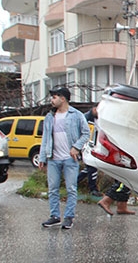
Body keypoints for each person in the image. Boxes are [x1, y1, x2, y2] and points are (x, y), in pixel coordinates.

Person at [39, 87, 90, 230]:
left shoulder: (76, 115)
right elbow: (45, 139)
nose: (51, 100)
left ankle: (68, 217)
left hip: (70, 159)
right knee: (53, 189)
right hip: (53, 158)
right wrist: (43, 157)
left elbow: (86, 133)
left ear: (63, 98)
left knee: (71, 189)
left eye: (54, 97)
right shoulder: (50, 117)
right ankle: (54, 216)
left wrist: (76, 147)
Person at [77, 105, 101, 197]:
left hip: (93, 146)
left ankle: (74, 182)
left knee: (89, 169)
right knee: (92, 167)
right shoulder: (85, 119)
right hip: (87, 147)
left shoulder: (96, 119)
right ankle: (93, 189)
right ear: (94, 109)